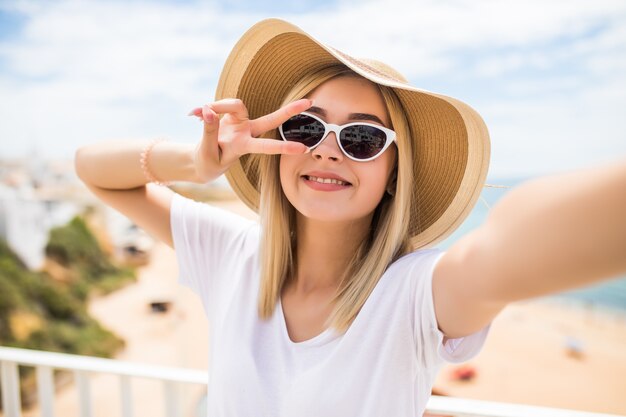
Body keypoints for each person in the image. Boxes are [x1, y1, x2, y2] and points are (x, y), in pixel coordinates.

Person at [74, 18, 626, 417]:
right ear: (277, 145)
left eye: (362, 137)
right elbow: (93, 168)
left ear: (393, 174)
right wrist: (196, 163)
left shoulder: (415, 295)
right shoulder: (233, 252)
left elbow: (508, 246)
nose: (328, 150)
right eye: (306, 128)